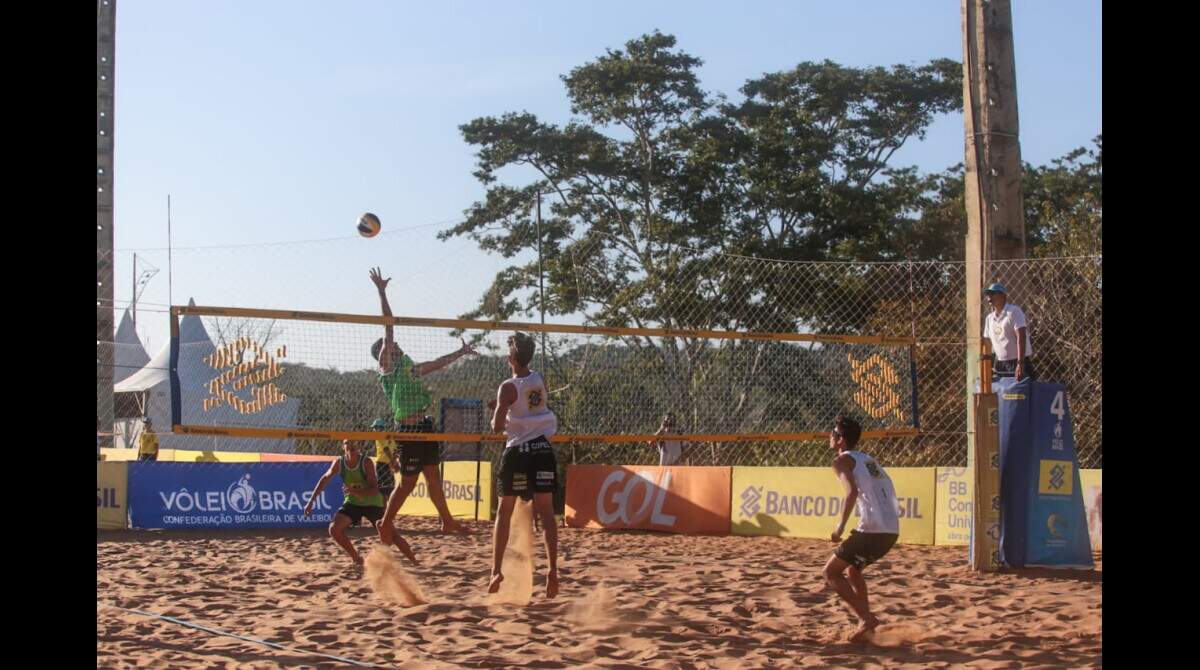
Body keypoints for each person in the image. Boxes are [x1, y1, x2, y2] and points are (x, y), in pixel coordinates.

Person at [369, 267, 477, 541]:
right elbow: (389, 325)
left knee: (432, 477)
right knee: (407, 483)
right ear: (383, 355)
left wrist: (461, 352)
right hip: (408, 430)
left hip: (425, 425)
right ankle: (386, 522)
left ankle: (448, 521)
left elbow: (437, 364)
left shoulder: (408, 367)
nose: (395, 345)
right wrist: (382, 291)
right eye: (389, 346)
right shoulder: (388, 367)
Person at [487, 332, 560, 599]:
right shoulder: (539, 378)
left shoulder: (507, 386)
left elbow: (496, 428)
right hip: (542, 449)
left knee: (504, 512)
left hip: (518, 451)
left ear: (511, 358)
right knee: (548, 514)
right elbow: (529, 408)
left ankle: (496, 570)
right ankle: (552, 570)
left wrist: (499, 408)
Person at [822, 416, 900, 643]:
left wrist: (839, 528)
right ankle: (866, 625)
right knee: (853, 571)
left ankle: (867, 619)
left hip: (873, 529)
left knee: (830, 572)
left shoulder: (841, 462)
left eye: (833, 433)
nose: (830, 436)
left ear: (841, 440)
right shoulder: (867, 459)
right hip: (891, 530)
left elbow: (851, 493)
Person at [304, 439, 417, 569]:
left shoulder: (366, 462)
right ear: (343, 446)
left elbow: (374, 490)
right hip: (353, 502)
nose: (351, 446)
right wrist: (311, 501)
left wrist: (355, 491)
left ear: (358, 447)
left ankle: (414, 562)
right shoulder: (339, 463)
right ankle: (356, 558)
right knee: (334, 529)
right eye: (348, 443)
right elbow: (324, 479)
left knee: (393, 534)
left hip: (372, 503)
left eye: (354, 443)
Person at [983, 282, 1035, 381]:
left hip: (1018, 362)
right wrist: (987, 366)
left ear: (1002, 296)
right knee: (1002, 395)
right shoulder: (989, 319)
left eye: (993, 294)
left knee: (1023, 394)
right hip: (1000, 364)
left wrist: (1020, 363)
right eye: (988, 294)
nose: (989, 297)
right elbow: (987, 343)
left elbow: (1021, 336)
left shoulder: (1013, 312)